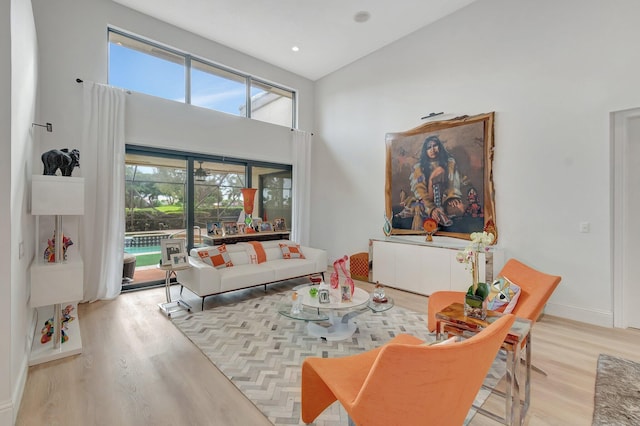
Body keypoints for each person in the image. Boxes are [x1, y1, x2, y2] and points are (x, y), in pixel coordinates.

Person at [408, 135, 463, 228]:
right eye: (429, 147)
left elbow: (453, 182)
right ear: (425, 151)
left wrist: (451, 197)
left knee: (460, 207)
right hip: (425, 201)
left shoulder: (449, 163)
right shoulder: (419, 168)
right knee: (420, 210)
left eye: (435, 145)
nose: (432, 149)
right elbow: (420, 190)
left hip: (444, 199)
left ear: (440, 147)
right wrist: (431, 208)